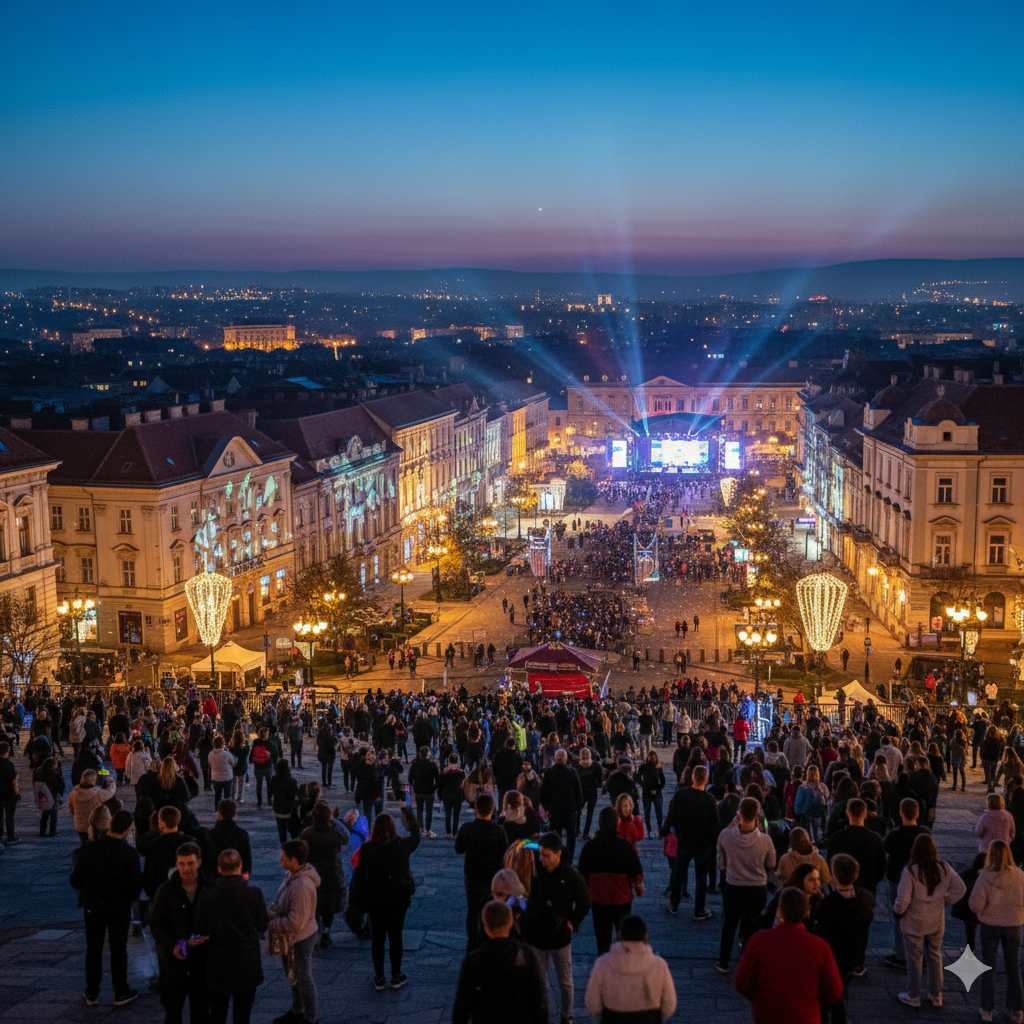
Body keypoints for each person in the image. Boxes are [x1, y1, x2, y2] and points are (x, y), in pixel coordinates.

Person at [735, 887, 843, 1024]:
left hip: (768, 1016)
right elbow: (835, 991)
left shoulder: (759, 941)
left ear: (779, 912)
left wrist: (761, 998)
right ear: (807, 912)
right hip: (806, 1017)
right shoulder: (820, 947)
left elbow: (742, 983)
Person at [69, 809, 143, 1007]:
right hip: (119, 908)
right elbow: (136, 888)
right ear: (128, 829)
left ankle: (92, 992)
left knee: (93, 949)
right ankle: (120, 991)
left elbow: (75, 880)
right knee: (118, 949)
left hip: (93, 906)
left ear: (110, 825)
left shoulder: (89, 849)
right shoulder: (129, 853)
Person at [521, 832, 591, 1024]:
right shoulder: (534, 872)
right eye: (541, 854)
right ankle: (541, 1014)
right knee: (538, 981)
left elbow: (584, 902)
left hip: (559, 935)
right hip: (536, 934)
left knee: (565, 981)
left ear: (558, 854)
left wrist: (572, 921)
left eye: (546, 855)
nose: (542, 859)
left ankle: (566, 1015)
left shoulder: (570, 876)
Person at [194, 849, 270, 1024]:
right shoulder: (253, 894)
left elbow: (200, 926)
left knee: (218, 1013)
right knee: (242, 1015)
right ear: (240, 866)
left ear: (219, 868)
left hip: (218, 963)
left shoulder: (208, 896)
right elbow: (263, 925)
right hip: (246, 963)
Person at [348, 807, 420, 991]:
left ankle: (379, 977)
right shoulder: (401, 845)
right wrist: (409, 817)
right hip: (398, 897)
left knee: (378, 938)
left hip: (375, 897)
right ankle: (396, 976)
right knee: (396, 936)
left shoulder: (367, 848)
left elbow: (360, 874)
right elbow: (416, 836)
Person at [893, 833, 966, 1008]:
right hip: (935, 920)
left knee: (915, 958)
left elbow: (903, 900)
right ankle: (936, 994)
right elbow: (960, 889)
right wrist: (944, 900)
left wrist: (898, 911)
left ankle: (913, 994)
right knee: (934, 956)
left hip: (914, 922)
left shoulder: (910, 871)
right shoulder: (944, 867)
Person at [451, 900, 549, 1024]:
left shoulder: (473, 961)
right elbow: (539, 1000)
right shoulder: (526, 954)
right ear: (510, 923)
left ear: (485, 926)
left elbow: (461, 1010)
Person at [149, 841, 211, 1024]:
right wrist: (171, 946)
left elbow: (217, 922)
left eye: (190, 863)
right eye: (182, 864)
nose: (186, 869)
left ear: (198, 862)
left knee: (201, 1013)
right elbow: (156, 924)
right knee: (173, 1013)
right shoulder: (166, 890)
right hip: (174, 965)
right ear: (176, 864)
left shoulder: (209, 888)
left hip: (202, 963)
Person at [716, 796, 777, 973]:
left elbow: (721, 863)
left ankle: (724, 960)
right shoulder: (765, 840)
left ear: (739, 814)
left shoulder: (726, 836)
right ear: (757, 816)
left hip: (733, 885)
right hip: (757, 888)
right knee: (753, 924)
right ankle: (750, 961)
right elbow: (771, 864)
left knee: (730, 924)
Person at [814, 853, 876, 1024]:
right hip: (853, 957)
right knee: (840, 994)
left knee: (828, 1000)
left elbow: (821, 933)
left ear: (834, 874)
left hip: (833, 958)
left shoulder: (829, 904)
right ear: (855, 875)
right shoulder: (864, 899)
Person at [969, 840, 1024, 1023]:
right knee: (1013, 968)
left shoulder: (985, 877)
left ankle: (987, 1010)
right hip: (1013, 926)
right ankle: (1016, 1011)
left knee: (988, 968)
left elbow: (975, 904)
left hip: (990, 926)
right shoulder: (1020, 876)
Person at [584, 914, 677, 1023]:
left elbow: (593, 1005)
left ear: (619, 935)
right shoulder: (660, 966)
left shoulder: (602, 964)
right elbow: (669, 1006)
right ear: (645, 937)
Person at [578, 806, 644, 955]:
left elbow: (582, 873)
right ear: (616, 823)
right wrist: (638, 887)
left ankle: (604, 969)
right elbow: (636, 871)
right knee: (624, 939)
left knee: (602, 942)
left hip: (599, 899)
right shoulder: (625, 846)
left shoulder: (590, 847)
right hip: (621, 899)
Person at [267, 839, 320, 1024]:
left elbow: (295, 922)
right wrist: (276, 908)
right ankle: (297, 1009)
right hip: (292, 937)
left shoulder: (302, 885)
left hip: (301, 937)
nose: (281, 860)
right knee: (292, 974)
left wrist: (272, 923)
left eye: (284, 857)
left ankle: (311, 1017)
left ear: (295, 860)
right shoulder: (291, 874)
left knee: (303, 976)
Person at [663, 763, 719, 921]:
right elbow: (715, 825)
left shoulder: (681, 795)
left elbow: (671, 817)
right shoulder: (709, 799)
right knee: (701, 877)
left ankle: (674, 903)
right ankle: (699, 910)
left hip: (684, 840)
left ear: (693, 778)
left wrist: (666, 831)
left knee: (679, 873)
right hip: (703, 844)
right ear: (706, 780)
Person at [455, 792, 509, 949]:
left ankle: (472, 942)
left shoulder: (467, 828)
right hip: (491, 877)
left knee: (472, 910)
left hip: (471, 875)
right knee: (490, 908)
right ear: (492, 809)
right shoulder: (499, 831)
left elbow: (458, 849)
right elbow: (504, 854)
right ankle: (487, 940)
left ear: (476, 808)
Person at [881, 797, 931, 969]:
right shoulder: (924, 833)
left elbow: (885, 850)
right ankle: (921, 953)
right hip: (921, 879)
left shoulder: (895, 834)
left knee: (898, 915)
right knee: (919, 914)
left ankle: (901, 954)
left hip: (897, 877)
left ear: (902, 813)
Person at [300, 801, 350, 948]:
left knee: (315, 903)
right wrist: (335, 820)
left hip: (313, 873)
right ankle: (326, 932)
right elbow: (347, 837)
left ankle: (315, 931)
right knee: (329, 904)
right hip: (331, 872)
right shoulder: (335, 834)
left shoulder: (307, 833)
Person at [539, 749, 583, 863]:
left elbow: (544, 792)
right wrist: (578, 807)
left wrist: (547, 806)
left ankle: (557, 859)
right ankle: (570, 859)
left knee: (555, 837)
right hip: (570, 809)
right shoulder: (572, 772)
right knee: (571, 837)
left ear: (555, 758)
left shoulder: (549, 772)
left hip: (555, 809)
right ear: (565, 759)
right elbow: (578, 791)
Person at [67, 767, 117, 845]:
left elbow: (70, 808)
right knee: (96, 845)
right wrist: (111, 781)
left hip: (80, 825)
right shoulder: (98, 793)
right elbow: (110, 792)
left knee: (84, 843)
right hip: (95, 825)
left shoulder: (74, 792)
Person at [209, 799, 253, 877]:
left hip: (216, 878)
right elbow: (247, 860)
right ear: (235, 814)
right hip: (237, 876)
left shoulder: (211, 834)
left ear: (219, 813)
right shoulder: (242, 834)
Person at [408, 745, 441, 837]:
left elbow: (410, 779)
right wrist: (433, 788)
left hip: (418, 790)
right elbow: (438, 780)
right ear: (428, 754)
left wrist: (414, 786)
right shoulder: (432, 765)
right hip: (429, 791)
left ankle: (421, 828)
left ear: (419, 754)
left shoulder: (415, 765)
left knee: (419, 810)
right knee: (429, 811)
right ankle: (428, 830)